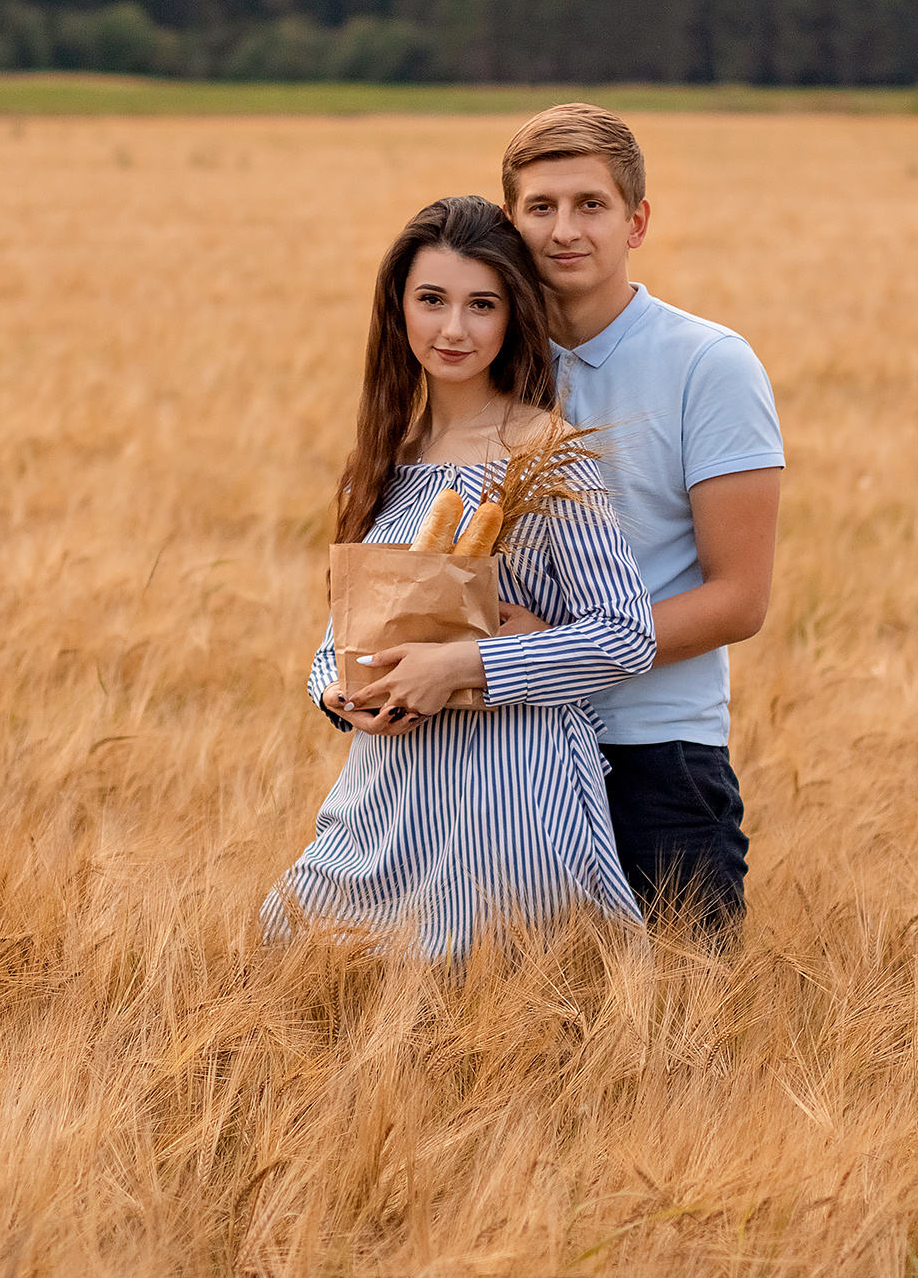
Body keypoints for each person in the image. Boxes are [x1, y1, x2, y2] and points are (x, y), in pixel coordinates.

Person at [262, 194, 656, 956]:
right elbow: (339, 640)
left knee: (511, 1010)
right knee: (293, 947)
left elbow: (625, 635)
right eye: (432, 300)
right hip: (386, 790)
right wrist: (339, 694)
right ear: (398, 309)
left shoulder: (547, 455)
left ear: (513, 317)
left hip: (510, 792)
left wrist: (462, 664)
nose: (453, 329)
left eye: (482, 305)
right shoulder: (380, 463)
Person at [499, 103, 784, 934]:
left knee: (687, 1043)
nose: (565, 230)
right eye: (540, 208)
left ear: (638, 221)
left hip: (659, 756)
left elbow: (740, 599)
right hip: (505, 750)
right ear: (509, 224)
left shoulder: (709, 364)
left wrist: (550, 653)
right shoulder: (482, 363)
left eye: (591, 205)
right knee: (520, 1044)